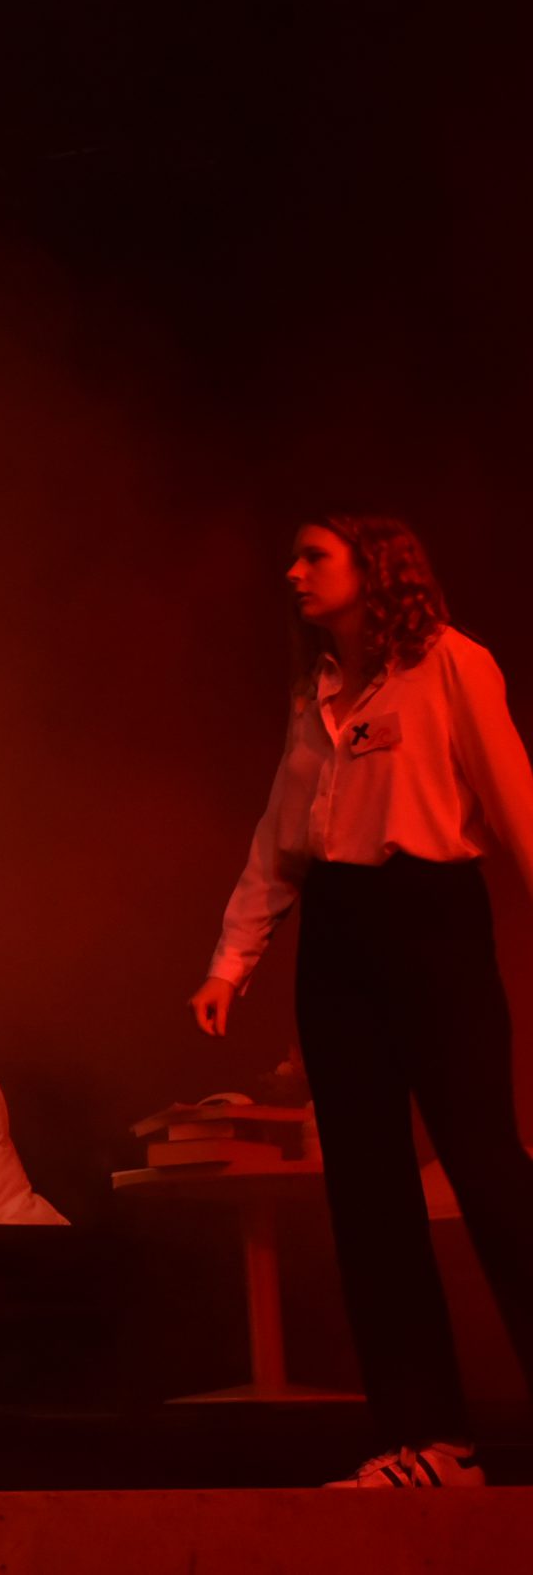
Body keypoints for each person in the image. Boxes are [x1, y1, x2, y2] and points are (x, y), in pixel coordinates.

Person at [191, 515, 533, 1490]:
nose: (292, 571)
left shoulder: (453, 663)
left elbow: (517, 806)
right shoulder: (317, 693)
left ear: (373, 564)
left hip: (431, 919)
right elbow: (280, 839)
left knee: (487, 1169)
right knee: (367, 1192)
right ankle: (428, 1440)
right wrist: (229, 963)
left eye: (314, 556)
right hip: (339, 940)